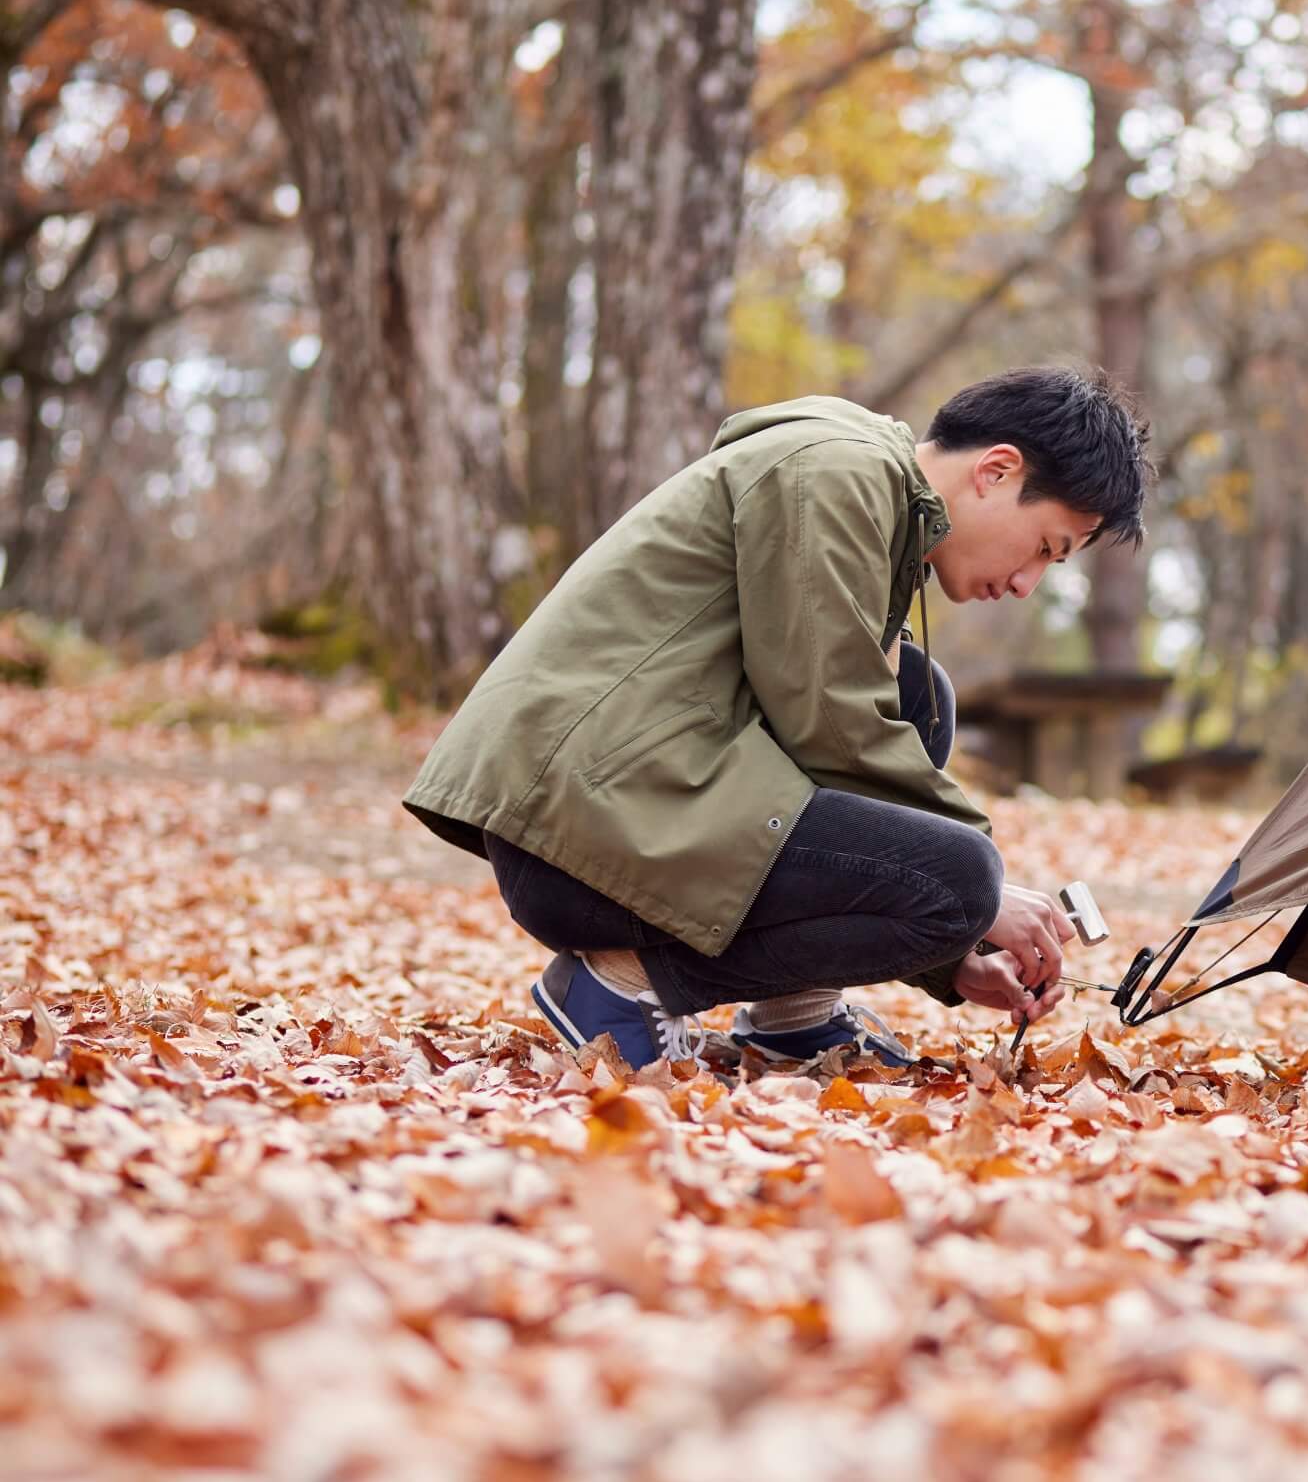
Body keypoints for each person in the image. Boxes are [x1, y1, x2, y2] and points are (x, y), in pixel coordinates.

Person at [400, 367, 1154, 1069]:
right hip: (578, 833)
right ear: (996, 471)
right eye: (1046, 548)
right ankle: (618, 985)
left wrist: (951, 953)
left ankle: (796, 1014)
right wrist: (980, 900)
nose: (1027, 583)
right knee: (961, 874)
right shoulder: (834, 472)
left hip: (637, 809)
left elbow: (834, 723)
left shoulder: (874, 502)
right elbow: (828, 716)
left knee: (917, 696)